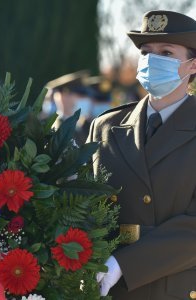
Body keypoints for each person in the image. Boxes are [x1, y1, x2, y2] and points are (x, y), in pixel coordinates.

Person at [87, 10, 196, 300]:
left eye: (166, 52)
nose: (152, 61)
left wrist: (124, 262)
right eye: (146, 52)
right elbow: (83, 203)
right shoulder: (105, 127)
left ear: (192, 65)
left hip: (174, 289)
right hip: (108, 289)